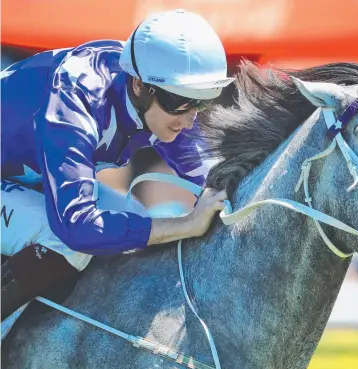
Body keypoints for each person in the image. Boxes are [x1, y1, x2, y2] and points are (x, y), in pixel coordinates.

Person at [0, 9, 233, 321]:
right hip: (21, 176)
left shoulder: (158, 93)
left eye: (201, 102)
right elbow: (77, 226)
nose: (190, 119)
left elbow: (211, 174)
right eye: (182, 102)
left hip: (20, 173)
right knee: (67, 241)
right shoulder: (76, 100)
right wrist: (184, 224)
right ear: (139, 85)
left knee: (134, 218)